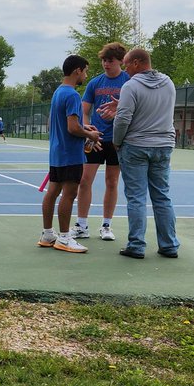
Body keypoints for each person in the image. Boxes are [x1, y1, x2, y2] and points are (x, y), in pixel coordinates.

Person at [103, 47, 180, 259]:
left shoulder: (131, 86)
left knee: (136, 198)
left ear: (137, 63)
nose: (125, 69)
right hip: (163, 145)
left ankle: (136, 245)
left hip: (135, 146)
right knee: (162, 197)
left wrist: (117, 142)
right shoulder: (168, 83)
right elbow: (156, 110)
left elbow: (124, 119)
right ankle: (169, 245)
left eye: (127, 64)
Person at [38, 56, 101, 253]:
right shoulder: (73, 95)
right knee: (69, 194)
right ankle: (65, 238)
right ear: (77, 71)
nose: (86, 75)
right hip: (70, 154)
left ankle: (48, 234)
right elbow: (72, 128)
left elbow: (62, 124)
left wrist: (84, 126)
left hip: (57, 153)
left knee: (53, 192)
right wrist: (90, 134)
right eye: (85, 71)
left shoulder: (58, 92)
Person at [72, 42, 128, 241]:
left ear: (121, 61)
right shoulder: (95, 83)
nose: (106, 64)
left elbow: (136, 110)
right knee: (85, 181)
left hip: (118, 140)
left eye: (110, 61)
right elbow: (84, 112)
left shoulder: (129, 81)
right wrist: (89, 131)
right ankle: (82, 225)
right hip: (95, 139)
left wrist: (118, 116)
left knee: (111, 182)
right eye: (104, 60)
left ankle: (106, 226)